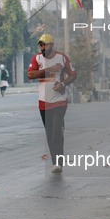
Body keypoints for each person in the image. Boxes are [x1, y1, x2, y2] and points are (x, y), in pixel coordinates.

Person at [27, 33, 77, 173]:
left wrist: (62, 83)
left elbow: (73, 74)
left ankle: (59, 164)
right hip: (44, 102)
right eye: (41, 45)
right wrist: (49, 69)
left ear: (52, 45)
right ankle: (55, 162)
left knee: (56, 133)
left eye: (46, 44)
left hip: (59, 101)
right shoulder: (37, 58)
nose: (43, 47)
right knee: (49, 134)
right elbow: (30, 75)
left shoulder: (62, 58)